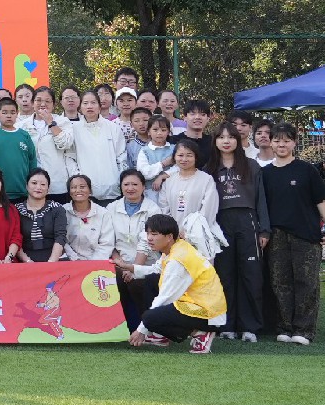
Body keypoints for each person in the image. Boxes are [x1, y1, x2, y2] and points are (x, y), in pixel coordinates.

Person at [258, 123, 325, 345]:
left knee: (307, 282)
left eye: (286, 140)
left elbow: (321, 201)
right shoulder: (264, 173)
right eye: (277, 140)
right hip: (276, 236)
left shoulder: (307, 170)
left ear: (294, 143)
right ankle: (285, 327)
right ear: (271, 143)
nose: (281, 144)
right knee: (280, 283)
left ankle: (304, 330)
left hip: (306, 235)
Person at [206, 124, 270, 342]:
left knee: (251, 275)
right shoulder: (209, 168)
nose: (226, 141)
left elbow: (261, 199)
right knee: (224, 275)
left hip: (247, 222)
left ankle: (250, 327)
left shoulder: (251, 166)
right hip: (220, 224)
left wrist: (264, 229)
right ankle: (226, 325)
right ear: (215, 141)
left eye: (231, 137)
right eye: (221, 137)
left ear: (238, 140)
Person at [129, 214, 227, 354]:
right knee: (150, 280)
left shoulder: (178, 260)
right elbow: (156, 269)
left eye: (154, 234)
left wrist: (142, 330)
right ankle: (161, 335)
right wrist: (129, 267)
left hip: (208, 313)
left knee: (150, 317)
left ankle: (200, 333)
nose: (149, 238)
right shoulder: (175, 248)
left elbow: (165, 297)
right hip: (197, 303)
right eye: (148, 233)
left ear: (169, 237)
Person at [107, 168, 163, 330]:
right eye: (126, 184)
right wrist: (120, 262)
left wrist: (134, 269)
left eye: (135, 184)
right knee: (113, 280)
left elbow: (148, 242)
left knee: (137, 282)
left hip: (146, 263)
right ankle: (119, 328)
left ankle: (149, 327)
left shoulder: (152, 209)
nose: (130, 188)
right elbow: (108, 239)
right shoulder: (111, 208)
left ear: (143, 187)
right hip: (119, 261)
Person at [158, 139, 223, 264]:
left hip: (200, 237)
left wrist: (189, 231)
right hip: (174, 237)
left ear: (196, 157)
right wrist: (174, 231)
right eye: (180, 155)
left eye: (189, 155)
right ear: (174, 157)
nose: (184, 159)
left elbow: (209, 209)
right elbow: (164, 208)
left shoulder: (206, 179)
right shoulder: (169, 181)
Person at [20, 87, 75, 204]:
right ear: (32, 103)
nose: (43, 104)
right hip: (31, 185)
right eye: (38, 100)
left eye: (47, 101)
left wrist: (50, 122)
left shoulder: (63, 122)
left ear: (53, 104)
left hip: (57, 185)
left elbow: (65, 144)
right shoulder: (21, 126)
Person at [71, 90, 127, 204]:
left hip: (112, 188)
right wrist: (78, 180)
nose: (89, 106)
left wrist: (118, 180)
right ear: (80, 107)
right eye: (85, 103)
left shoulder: (113, 128)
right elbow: (71, 158)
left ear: (99, 106)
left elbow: (121, 157)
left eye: (93, 102)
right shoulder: (73, 129)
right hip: (84, 189)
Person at [0, 98, 36, 202]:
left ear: (17, 114)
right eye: (4, 112)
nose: (9, 116)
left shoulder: (24, 135)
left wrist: (32, 182)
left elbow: (32, 160)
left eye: (12, 112)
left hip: (22, 191)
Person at [16, 169, 66, 263]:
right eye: (34, 183)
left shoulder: (57, 209)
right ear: (26, 186)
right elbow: (14, 239)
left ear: (48, 188)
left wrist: (51, 262)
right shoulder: (16, 210)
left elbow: (60, 236)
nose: (38, 187)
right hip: (23, 261)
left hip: (54, 259)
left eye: (43, 184)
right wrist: (27, 261)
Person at [63, 174, 114, 262]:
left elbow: (106, 244)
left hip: (96, 262)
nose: (78, 190)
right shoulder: (62, 211)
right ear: (69, 192)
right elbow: (61, 240)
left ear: (90, 190)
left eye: (82, 187)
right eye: (73, 187)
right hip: (69, 260)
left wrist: (92, 263)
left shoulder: (103, 213)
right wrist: (74, 259)